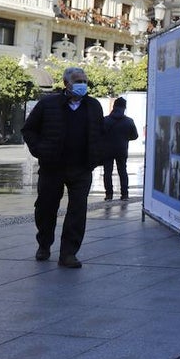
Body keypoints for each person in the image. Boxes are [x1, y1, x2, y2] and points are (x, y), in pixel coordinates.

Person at [21, 66, 105, 268]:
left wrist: (97, 155)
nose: (82, 85)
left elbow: (101, 132)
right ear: (66, 83)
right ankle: (44, 244)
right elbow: (29, 129)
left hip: (82, 167)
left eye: (85, 81)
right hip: (53, 166)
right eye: (78, 81)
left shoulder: (94, 106)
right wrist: (40, 150)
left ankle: (69, 253)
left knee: (78, 210)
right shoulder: (48, 104)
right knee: (46, 207)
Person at [101, 97, 139, 200]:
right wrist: (124, 139)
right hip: (122, 150)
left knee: (107, 172)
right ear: (124, 108)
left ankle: (109, 194)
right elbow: (135, 136)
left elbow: (99, 134)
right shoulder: (129, 121)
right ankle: (125, 194)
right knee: (122, 171)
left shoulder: (105, 120)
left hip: (107, 150)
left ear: (114, 107)